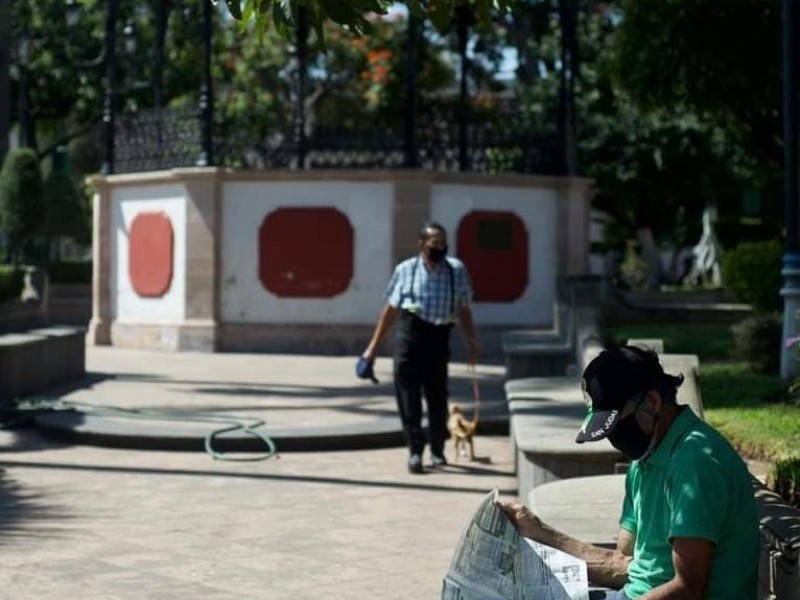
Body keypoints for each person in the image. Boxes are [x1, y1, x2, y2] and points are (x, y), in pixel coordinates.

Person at [498, 345, 760, 599]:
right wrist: (539, 532)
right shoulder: (647, 456)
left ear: (653, 401)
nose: (614, 437)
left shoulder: (696, 462)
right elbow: (624, 563)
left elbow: (688, 589)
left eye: (615, 424)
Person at [361, 222, 478, 474]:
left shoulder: (455, 270)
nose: (440, 247)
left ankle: (437, 450)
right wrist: (372, 349)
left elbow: (464, 308)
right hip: (409, 338)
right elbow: (389, 311)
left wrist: (471, 339)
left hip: (438, 339)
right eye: (434, 243)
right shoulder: (405, 270)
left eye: (443, 243)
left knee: (437, 398)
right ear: (421, 244)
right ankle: (415, 451)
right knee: (409, 399)